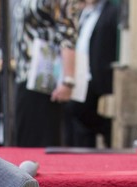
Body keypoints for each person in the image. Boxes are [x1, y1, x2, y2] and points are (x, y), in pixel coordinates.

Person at [12, 0, 81, 147]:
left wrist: (68, 80)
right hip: (23, 74)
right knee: (23, 138)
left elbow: (68, 34)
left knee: (39, 140)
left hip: (44, 78)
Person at [65, 0, 119, 148]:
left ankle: (107, 128)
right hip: (80, 73)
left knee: (78, 110)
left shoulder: (112, 12)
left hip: (97, 74)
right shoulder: (82, 13)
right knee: (75, 114)